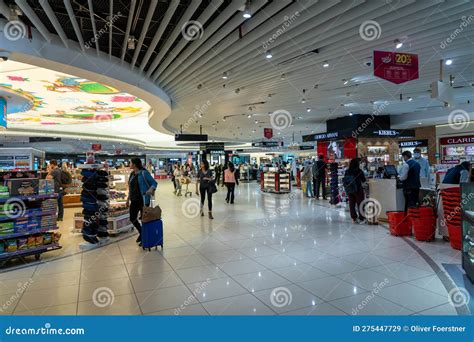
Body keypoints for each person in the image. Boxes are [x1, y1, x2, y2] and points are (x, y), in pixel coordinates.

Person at [127, 157, 157, 245]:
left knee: (144, 219)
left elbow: (154, 183)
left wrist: (151, 189)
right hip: (134, 200)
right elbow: (131, 188)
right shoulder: (132, 174)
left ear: (134, 164)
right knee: (132, 218)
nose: (129, 164)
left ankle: (145, 237)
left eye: (130, 163)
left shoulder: (144, 173)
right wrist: (128, 198)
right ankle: (142, 233)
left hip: (143, 200)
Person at [344, 158, 367, 224]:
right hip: (358, 189)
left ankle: (354, 218)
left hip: (350, 189)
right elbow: (363, 180)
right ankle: (361, 218)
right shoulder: (359, 171)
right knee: (360, 204)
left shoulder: (347, 171)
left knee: (351, 204)